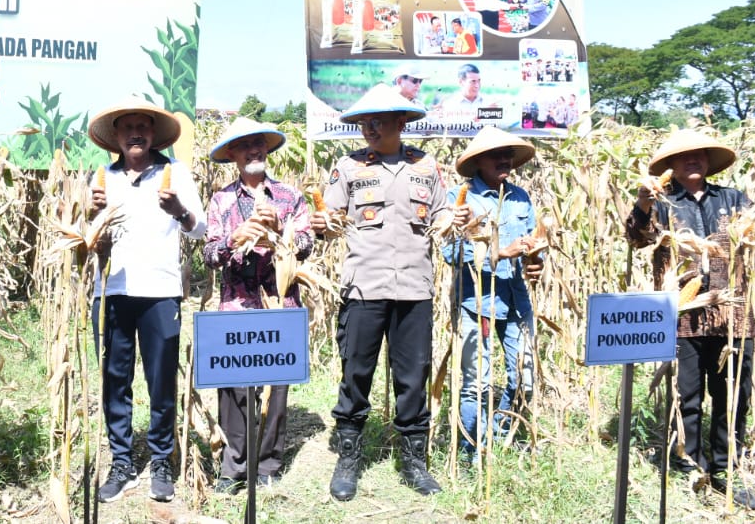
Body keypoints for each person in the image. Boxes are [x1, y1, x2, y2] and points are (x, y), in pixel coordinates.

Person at [625, 129, 755, 511]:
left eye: (701, 155)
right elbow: (637, 238)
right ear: (671, 165)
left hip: (733, 314)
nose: (694, 160)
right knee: (686, 393)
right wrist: (643, 203)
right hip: (682, 314)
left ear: (709, 162)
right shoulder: (662, 204)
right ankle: (687, 464)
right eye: (685, 156)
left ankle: (725, 466)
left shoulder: (732, 199)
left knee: (733, 395)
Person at [311, 84, 446, 501]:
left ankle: (413, 461)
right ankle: (348, 458)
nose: (369, 128)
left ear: (400, 122)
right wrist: (323, 225)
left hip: (415, 288)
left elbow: (443, 213)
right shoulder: (348, 167)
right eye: (364, 122)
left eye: (378, 121)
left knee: (413, 377)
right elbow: (329, 219)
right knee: (356, 373)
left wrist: (453, 220)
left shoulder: (426, 166)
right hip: (364, 287)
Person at [88, 98, 206, 504]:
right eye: (127, 127)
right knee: (114, 381)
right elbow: (87, 236)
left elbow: (199, 229)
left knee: (161, 381)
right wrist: (89, 215)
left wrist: (179, 210)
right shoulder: (102, 177)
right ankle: (121, 462)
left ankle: (161, 460)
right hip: (112, 290)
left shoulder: (177, 173)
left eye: (143, 126)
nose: (135, 133)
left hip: (160, 291)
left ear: (153, 133)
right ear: (116, 135)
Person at [202, 117, 314, 494]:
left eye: (259, 143)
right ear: (232, 154)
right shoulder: (221, 200)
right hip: (236, 306)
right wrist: (234, 239)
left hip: (280, 305)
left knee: (275, 390)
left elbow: (306, 245)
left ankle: (267, 465)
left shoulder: (289, 197)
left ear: (266, 149)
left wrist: (281, 231)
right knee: (233, 390)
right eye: (244, 145)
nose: (254, 150)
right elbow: (209, 255)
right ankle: (233, 466)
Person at [444, 127, 541, 462]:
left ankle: (499, 436)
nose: (504, 161)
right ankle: (472, 451)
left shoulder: (520, 197)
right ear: (478, 162)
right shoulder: (460, 199)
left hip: (516, 301)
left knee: (526, 378)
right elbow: (451, 253)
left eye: (508, 155)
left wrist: (535, 261)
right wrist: (500, 253)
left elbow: (531, 244)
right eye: (496, 155)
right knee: (477, 384)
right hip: (476, 303)